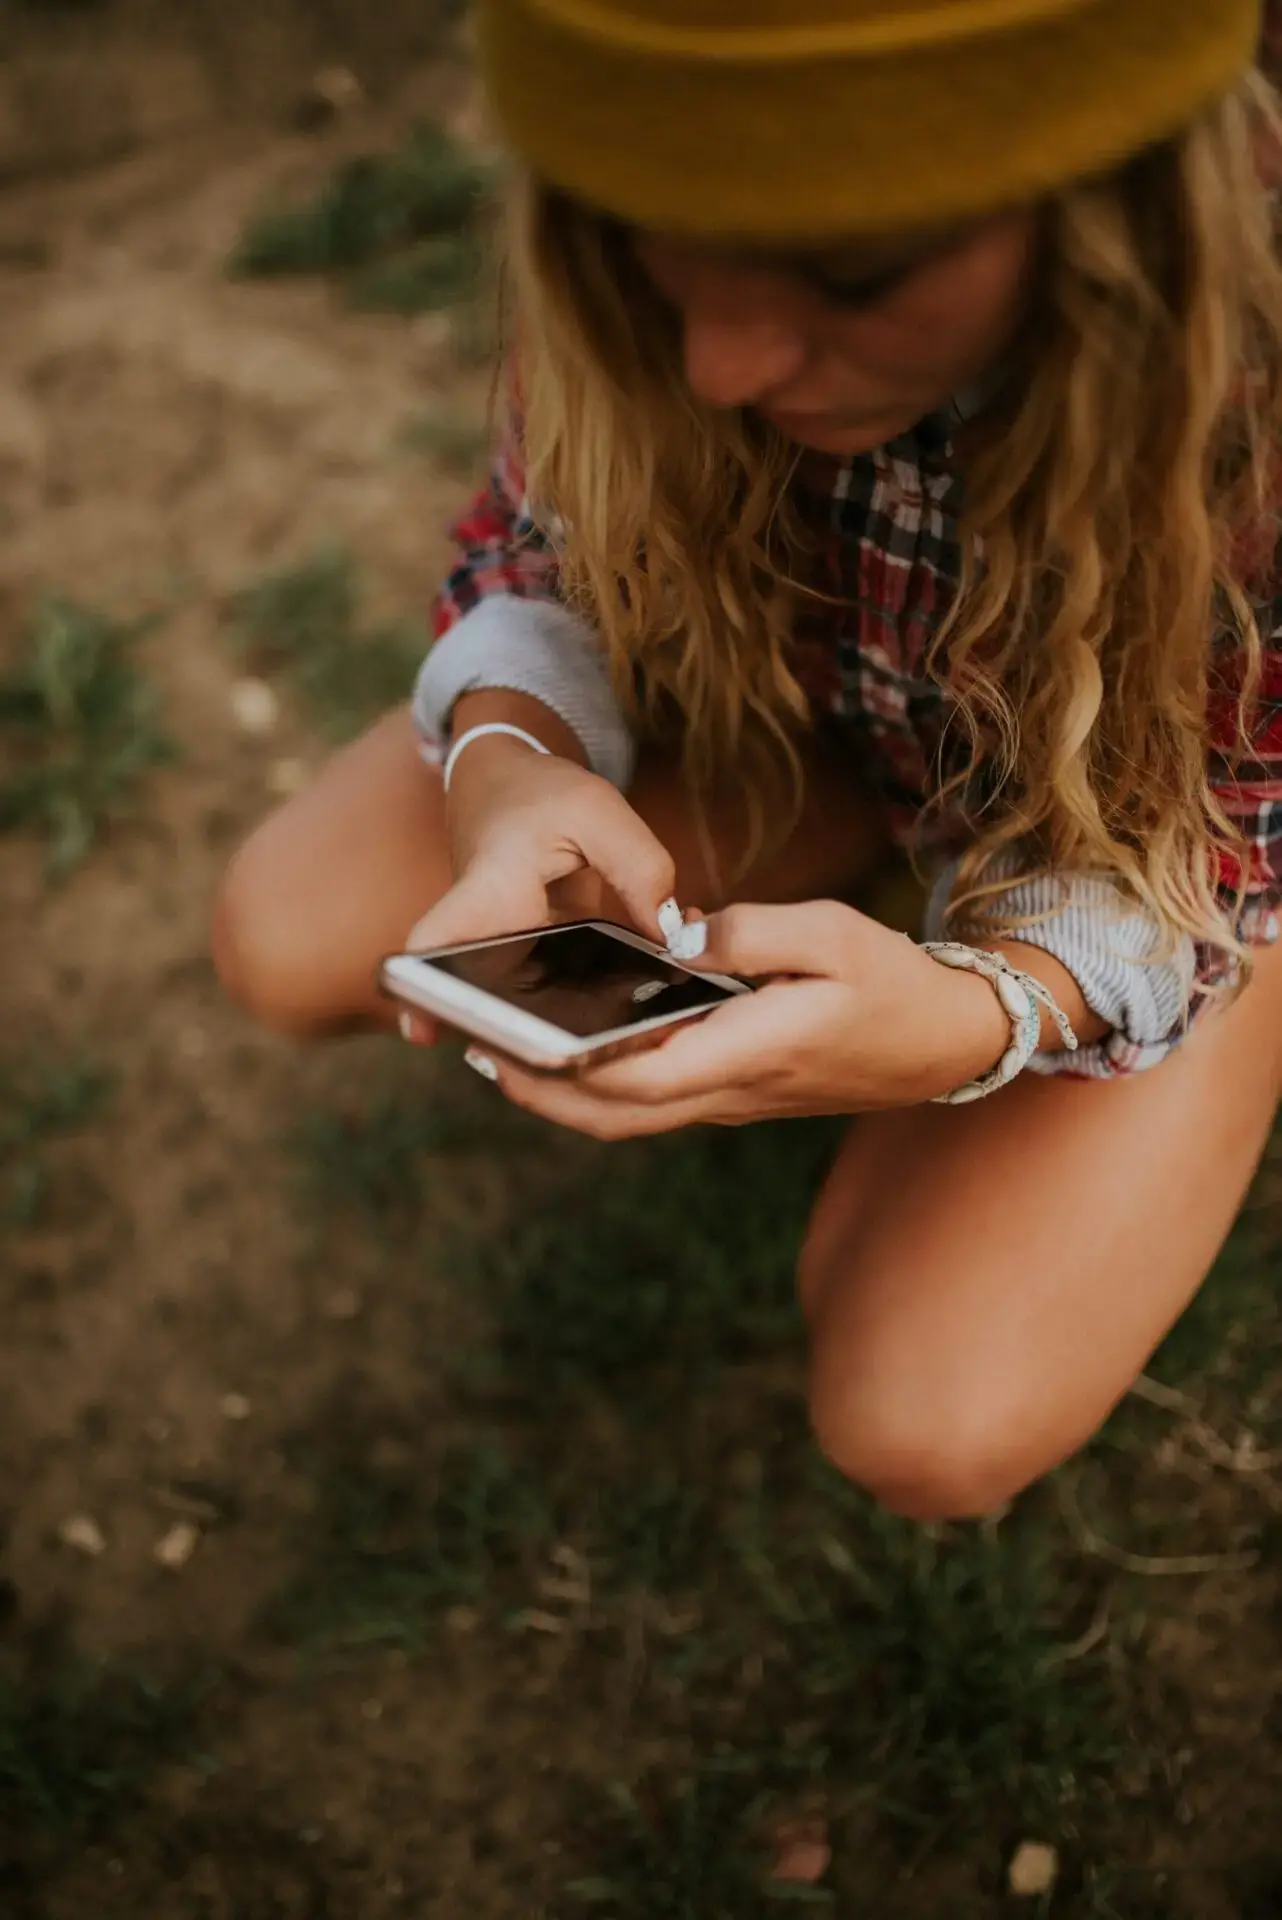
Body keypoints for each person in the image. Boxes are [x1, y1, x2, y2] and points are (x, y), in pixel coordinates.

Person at [214, 0, 1282, 1522]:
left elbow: (1230, 831)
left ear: (1111, 208)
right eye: (658, 244)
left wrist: (978, 1019)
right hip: (793, 723)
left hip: (1153, 842)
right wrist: (513, 763)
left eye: (850, 273)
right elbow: (540, 543)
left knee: (930, 1417)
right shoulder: (643, 195)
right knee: (292, 930)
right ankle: (854, 831)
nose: (718, 362)